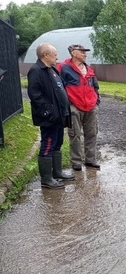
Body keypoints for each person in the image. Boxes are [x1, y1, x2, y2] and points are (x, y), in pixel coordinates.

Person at [27, 43, 74, 189]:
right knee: (47, 145)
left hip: (60, 116)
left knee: (57, 143)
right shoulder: (36, 71)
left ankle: (57, 172)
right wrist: (48, 112)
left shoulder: (52, 69)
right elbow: (35, 95)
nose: (57, 57)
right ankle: (46, 179)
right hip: (49, 118)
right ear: (45, 55)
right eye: (54, 54)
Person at [57, 44, 101, 171]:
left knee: (92, 133)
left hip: (91, 106)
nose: (85, 54)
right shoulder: (63, 68)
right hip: (74, 106)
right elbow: (59, 88)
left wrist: (96, 101)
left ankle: (90, 160)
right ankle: (76, 161)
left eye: (85, 52)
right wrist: (67, 105)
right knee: (75, 134)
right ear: (73, 53)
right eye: (82, 52)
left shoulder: (89, 69)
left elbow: (95, 86)